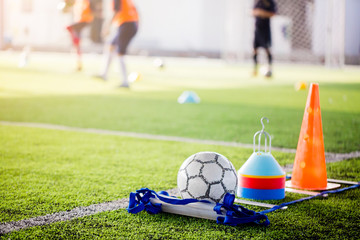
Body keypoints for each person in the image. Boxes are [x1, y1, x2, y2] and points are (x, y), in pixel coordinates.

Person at [96, 0, 139, 88]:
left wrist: (107, 26)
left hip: (127, 25)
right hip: (129, 24)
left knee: (120, 53)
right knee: (111, 46)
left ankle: (125, 82)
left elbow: (116, 10)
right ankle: (104, 74)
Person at [66, 0, 95, 71]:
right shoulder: (78, 2)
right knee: (77, 46)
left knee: (69, 27)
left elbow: (92, 13)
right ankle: (78, 61)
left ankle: (76, 42)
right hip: (79, 21)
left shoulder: (87, 2)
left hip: (84, 21)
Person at [252, 0, 277, 78]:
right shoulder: (258, 2)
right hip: (257, 29)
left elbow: (273, 14)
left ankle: (269, 68)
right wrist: (257, 12)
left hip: (265, 29)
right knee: (255, 50)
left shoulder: (271, 2)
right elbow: (253, 11)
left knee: (267, 49)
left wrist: (262, 13)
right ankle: (255, 69)